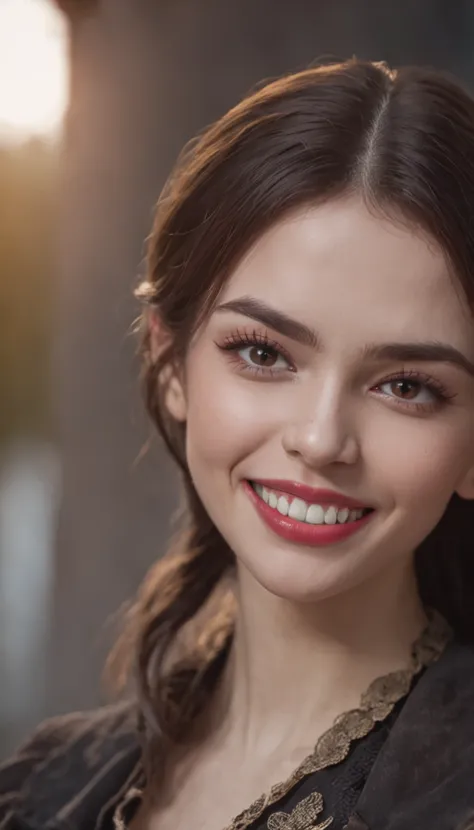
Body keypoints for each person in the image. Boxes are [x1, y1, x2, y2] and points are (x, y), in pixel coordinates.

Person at [2, 56, 474, 830]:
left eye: (408, 385)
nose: (321, 440)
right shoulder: (43, 789)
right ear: (170, 362)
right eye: (264, 354)